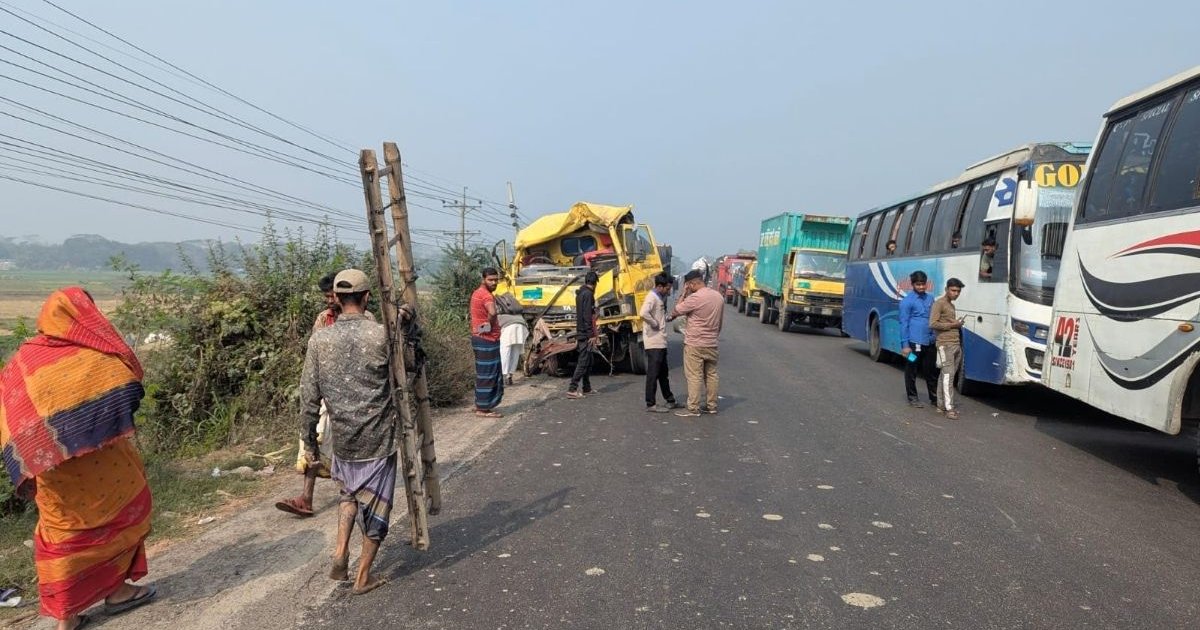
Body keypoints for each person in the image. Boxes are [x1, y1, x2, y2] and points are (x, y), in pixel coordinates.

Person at [0, 287, 157, 630]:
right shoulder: (90, 355)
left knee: (64, 536)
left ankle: (68, 617)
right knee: (123, 513)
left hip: (54, 472)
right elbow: (128, 388)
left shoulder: (18, 365)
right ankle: (116, 591)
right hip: (104, 467)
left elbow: (10, 423)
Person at [300, 269, 396, 596]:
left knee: (348, 495)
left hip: (342, 439)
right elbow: (406, 371)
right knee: (378, 509)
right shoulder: (381, 336)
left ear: (336, 300)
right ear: (366, 297)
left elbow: (308, 398)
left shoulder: (319, 339)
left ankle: (340, 552)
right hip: (378, 438)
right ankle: (363, 576)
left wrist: (309, 444)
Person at [277, 272, 376, 518]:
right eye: (327, 297)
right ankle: (307, 497)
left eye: (332, 295)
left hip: (354, 394)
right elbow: (316, 359)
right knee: (315, 438)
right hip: (328, 392)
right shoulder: (323, 320)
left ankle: (356, 496)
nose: (329, 300)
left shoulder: (368, 320)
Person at [668, 269, 724, 417]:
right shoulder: (718, 297)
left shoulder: (695, 298)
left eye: (688, 285)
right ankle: (711, 406)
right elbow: (720, 323)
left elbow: (676, 311)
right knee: (711, 375)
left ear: (692, 284)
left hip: (695, 343)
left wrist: (684, 293)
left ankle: (693, 408)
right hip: (712, 342)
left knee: (694, 376)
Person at [640, 272, 679, 412]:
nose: (669, 291)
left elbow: (659, 316)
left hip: (660, 341)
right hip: (654, 341)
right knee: (653, 373)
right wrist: (654, 323)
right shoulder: (652, 297)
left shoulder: (659, 297)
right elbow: (643, 313)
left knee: (663, 373)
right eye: (668, 288)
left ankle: (670, 399)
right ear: (660, 286)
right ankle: (650, 403)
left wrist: (667, 318)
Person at [900, 270, 938, 408]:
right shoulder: (907, 302)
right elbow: (903, 324)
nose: (921, 287)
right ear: (912, 285)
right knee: (911, 369)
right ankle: (912, 398)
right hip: (913, 343)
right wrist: (905, 345)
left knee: (931, 371)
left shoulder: (930, 299)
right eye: (918, 284)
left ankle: (934, 399)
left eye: (923, 284)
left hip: (929, 342)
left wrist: (935, 337)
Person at [930, 278, 966, 419]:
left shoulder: (951, 305)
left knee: (944, 376)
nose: (956, 293)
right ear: (946, 289)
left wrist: (957, 324)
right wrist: (953, 325)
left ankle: (940, 405)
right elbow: (933, 323)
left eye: (958, 291)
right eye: (953, 290)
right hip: (945, 345)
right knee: (948, 377)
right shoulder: (939, 304)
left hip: (955, 344)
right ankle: (949, 409)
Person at [470, 267, 504, 417]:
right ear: (483, 279)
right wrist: (489, 325)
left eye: (496, 280)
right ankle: (483, 409)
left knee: (483, 372)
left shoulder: (477, 293)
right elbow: (492, 312)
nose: (494, 282)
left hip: (479, 338)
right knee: (489, 373)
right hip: (487, 339)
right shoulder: (486, 296)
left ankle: (481, 403)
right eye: (491, 280)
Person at [566, 271, 599, 399]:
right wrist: (591, 334)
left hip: (582, 331)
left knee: (588, 361)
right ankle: (572, 389)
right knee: (583, 361)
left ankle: (587, 388)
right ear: (595, 283)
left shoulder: (580, 294)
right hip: (585, 334)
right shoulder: (588, 294)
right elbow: (587, 316)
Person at [499, 313, 529, 386]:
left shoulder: (496, 316)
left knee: (505, 353)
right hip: (521, 326)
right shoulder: (515, 313)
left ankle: (503, 378)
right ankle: (509, 376)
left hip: (509, 328)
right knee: (515, 353)